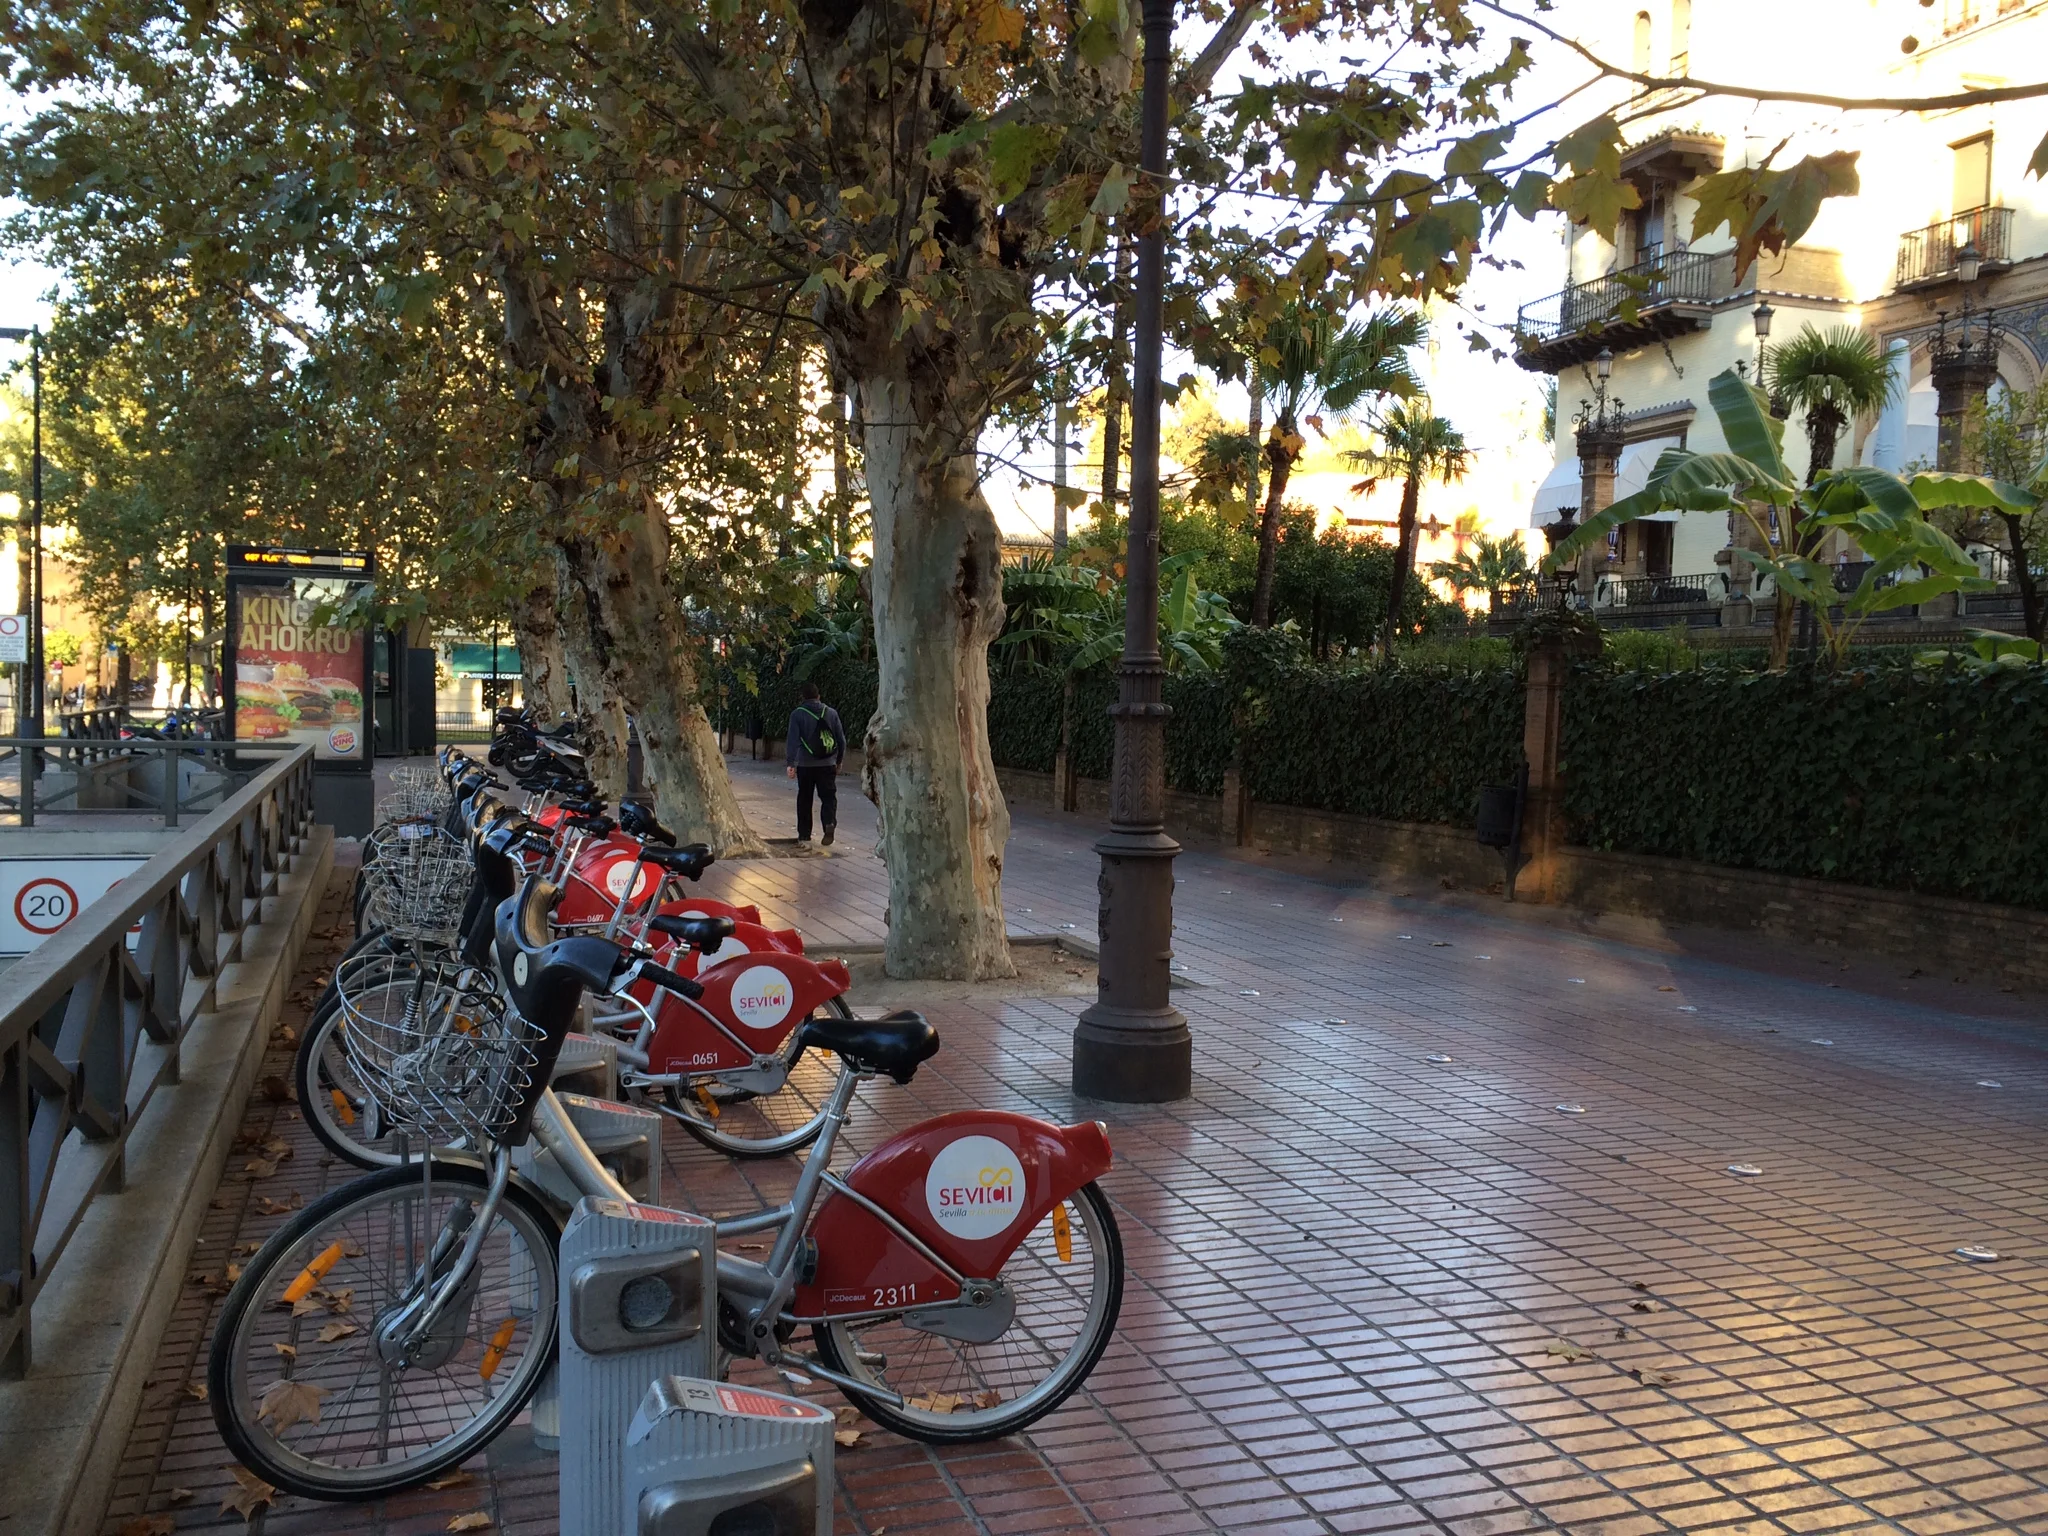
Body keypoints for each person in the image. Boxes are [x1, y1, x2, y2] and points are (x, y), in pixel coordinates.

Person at [785, 681, 845, 845]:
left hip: (806, 765)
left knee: (804, 798)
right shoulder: (831, 713)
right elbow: (841, 740)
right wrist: (838, 761)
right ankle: (829, 823)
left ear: (802, 698)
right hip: (827, 764)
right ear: (819, 696)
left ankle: (804, 834)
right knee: (828, 796)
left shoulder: (797, 714)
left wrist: (791, 763)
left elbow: (793, 741)